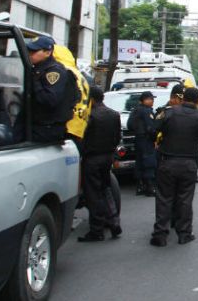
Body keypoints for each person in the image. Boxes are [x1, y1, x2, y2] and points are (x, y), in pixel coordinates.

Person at [150, 86, 198, 247]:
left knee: (164, 198)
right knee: (185, 199)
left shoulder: (168, 113)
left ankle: (160, 234)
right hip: (189, 162)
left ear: (183, 98)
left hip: (167, 160)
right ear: (197, 101)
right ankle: (184, 233)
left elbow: (153, 129)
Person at [77, 86, 122, 242]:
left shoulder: (89, 116)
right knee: (106, 189)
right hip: (107, 157)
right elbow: (117, 137)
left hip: (92, 159)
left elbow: (82, 139)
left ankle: (97, 230)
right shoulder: (114, 115)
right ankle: (114, 222)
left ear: (91, 99)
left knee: (93, 194)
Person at [25, 36, 78, 143]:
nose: (30, 54)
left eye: (34, 51)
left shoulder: (54, 71)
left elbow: (49, 100)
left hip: (46, 129)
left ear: (48, 52)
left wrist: (35, 81)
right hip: (37, 126)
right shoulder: (38, 68)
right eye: (29, 51)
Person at [128, 91, 157, 196]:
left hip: (138, 139)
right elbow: (151, 128)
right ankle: (150, 187)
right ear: (143, 100)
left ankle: (140, 186)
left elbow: (129, 125)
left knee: (139, 162)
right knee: (149, 161)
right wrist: (154, 139)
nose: (152, 101)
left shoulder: (135, 110)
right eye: (150, 99)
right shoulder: (146, 111)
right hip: (146, 139)